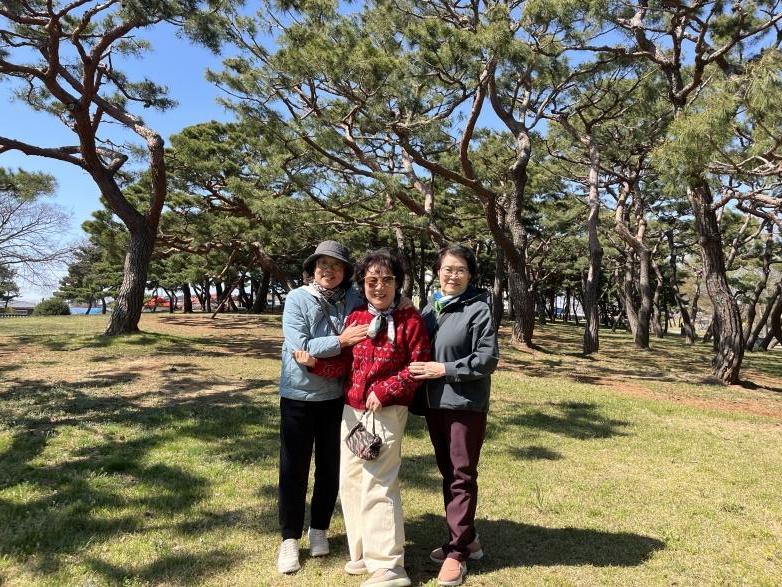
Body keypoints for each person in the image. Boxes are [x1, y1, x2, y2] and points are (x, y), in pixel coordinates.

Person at [294, 249, 431, 587]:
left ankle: (389, 566)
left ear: (397, 283)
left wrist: (385, 390)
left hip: (386, 411)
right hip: (352, 410)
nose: (379, 287)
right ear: (362, 284)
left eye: (387, 280)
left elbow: (418, 367)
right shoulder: (356, 318)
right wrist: (316, 364)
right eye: (372, 281)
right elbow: (345, 364)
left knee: (378, 483)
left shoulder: (410, 320)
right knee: (352, 482)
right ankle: (363, 553)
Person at [409, 244, 499, 587]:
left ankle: (457, 552)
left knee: (461, 474)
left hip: (464, 404)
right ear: (438, 271)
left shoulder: (478, 308)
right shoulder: (431, 307)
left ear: (470, 275)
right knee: (449, 472)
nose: (453, 275)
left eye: (461, 269)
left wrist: (444, 369)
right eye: (447, 268)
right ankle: (467, 539)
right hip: (435, 404)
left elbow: (487, 359)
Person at [276, 240, 369, 574]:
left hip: (335, 396)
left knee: (330, 467)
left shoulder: (354, 299)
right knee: (294, 468)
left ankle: (319, 529)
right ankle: (289, 539)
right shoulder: (297, 299)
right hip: (298, 396)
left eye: (336, 265)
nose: (328, 271)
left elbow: (376, 314)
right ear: (312, 269)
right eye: (322, 265)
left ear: (345, 272)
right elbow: (300, 345)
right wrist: (342, 341)